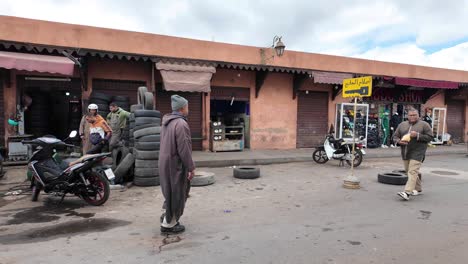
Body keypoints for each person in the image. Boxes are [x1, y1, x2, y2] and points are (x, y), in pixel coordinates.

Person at [158, 95, 195, 234]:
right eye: (187, 106)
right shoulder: (181, 124)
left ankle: (166, 215)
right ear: (182, 108)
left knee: (169, 191)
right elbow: (184, 149)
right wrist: (191, 167)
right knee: (177, 192)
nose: (188, 108)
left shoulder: (166, 122)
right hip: (175, 164)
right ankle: (169, 224)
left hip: (165, 162)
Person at [393, 108, 433, 201]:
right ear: (407, 116)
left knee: (412, 171)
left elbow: (430, 137)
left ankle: (407, 192)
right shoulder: (402, 125)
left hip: (418, 152)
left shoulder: (424, 125)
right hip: (405, 152)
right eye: (411, 115)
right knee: (409, 171)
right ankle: (418, 189)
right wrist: (399, 141)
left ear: (418, 115)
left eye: (415, 115)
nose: (413, 117)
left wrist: (418, 135)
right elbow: (395, 136)